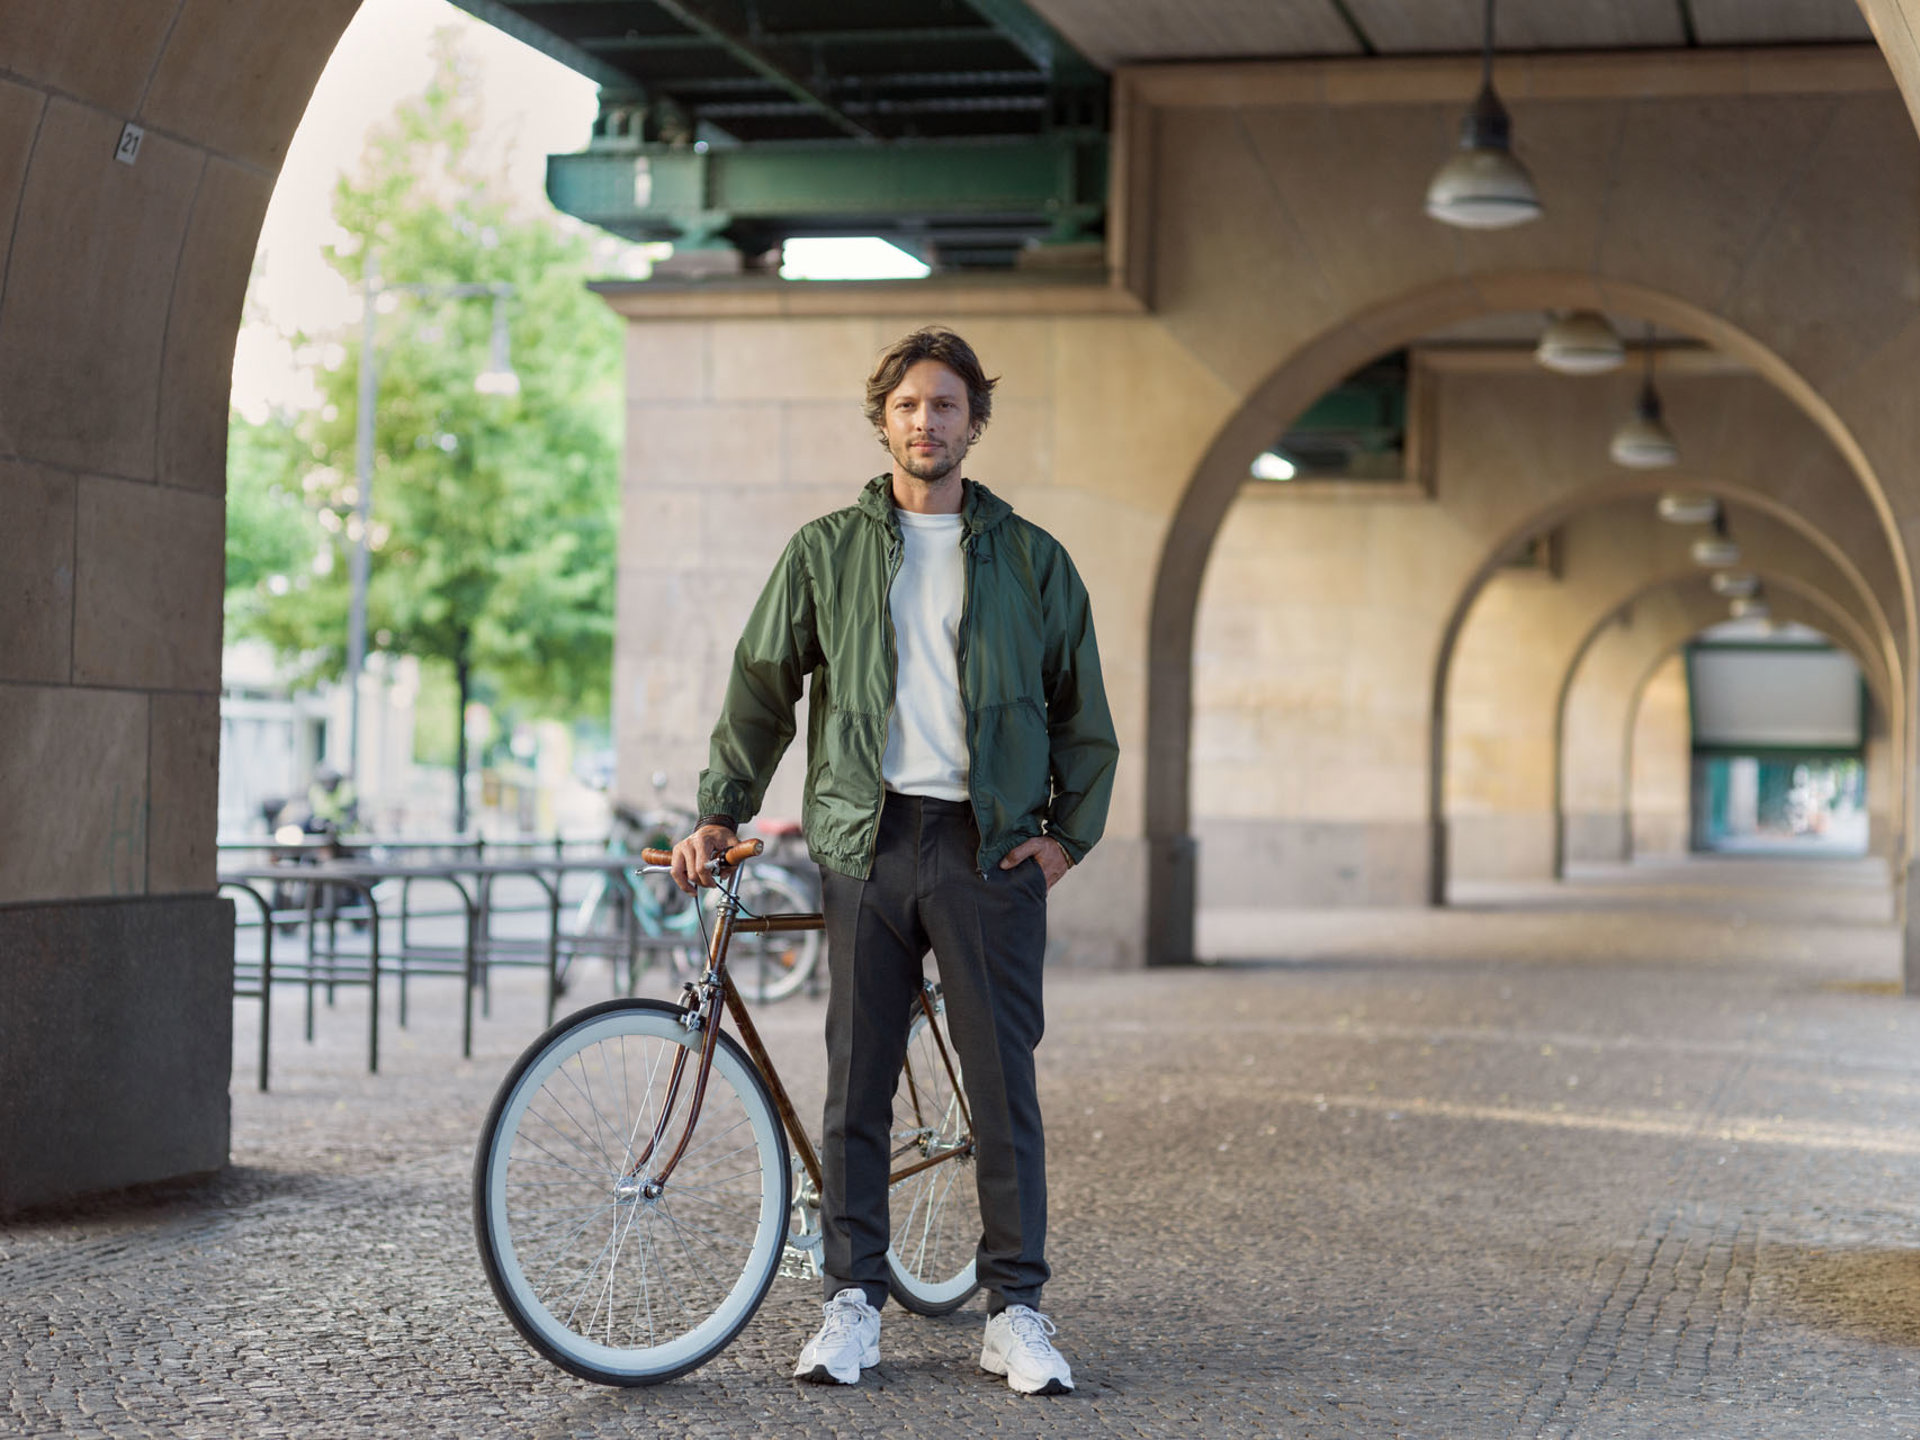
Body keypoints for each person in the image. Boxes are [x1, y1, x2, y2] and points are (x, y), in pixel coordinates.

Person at [670, 327, 1118, 1395]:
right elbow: (761, 687)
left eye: (948, 406)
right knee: (855, 1086)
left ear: (974, 423)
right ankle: (852, 1300)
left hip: (986, 847)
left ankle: (1015, 1311)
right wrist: (722, 812)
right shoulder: (824, 551)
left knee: (1002, 1090)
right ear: (884, 420)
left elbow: (1080, 711)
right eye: (911, 405)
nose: (929, 422)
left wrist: (1066, 838)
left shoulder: (1030, 557)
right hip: (865, 845)